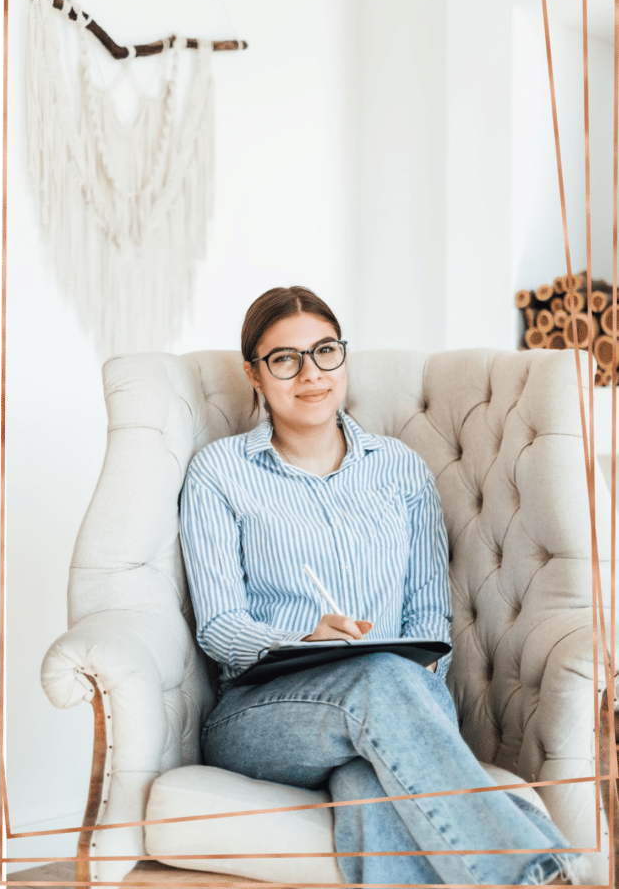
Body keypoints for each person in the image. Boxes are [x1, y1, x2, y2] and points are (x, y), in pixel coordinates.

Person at [179, 286, 580, 886]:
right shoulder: (220, 472)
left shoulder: (400, 468)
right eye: (285, 359)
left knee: (369, 776)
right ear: (254, 375)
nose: (310, 374)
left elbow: (427, 618)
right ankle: (535, 874)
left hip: (394, 702)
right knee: (381, 682)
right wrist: (303, 637)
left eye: (325, 352)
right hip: (261, 716)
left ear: (344, 357)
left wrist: (417, 695)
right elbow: (218, 626)